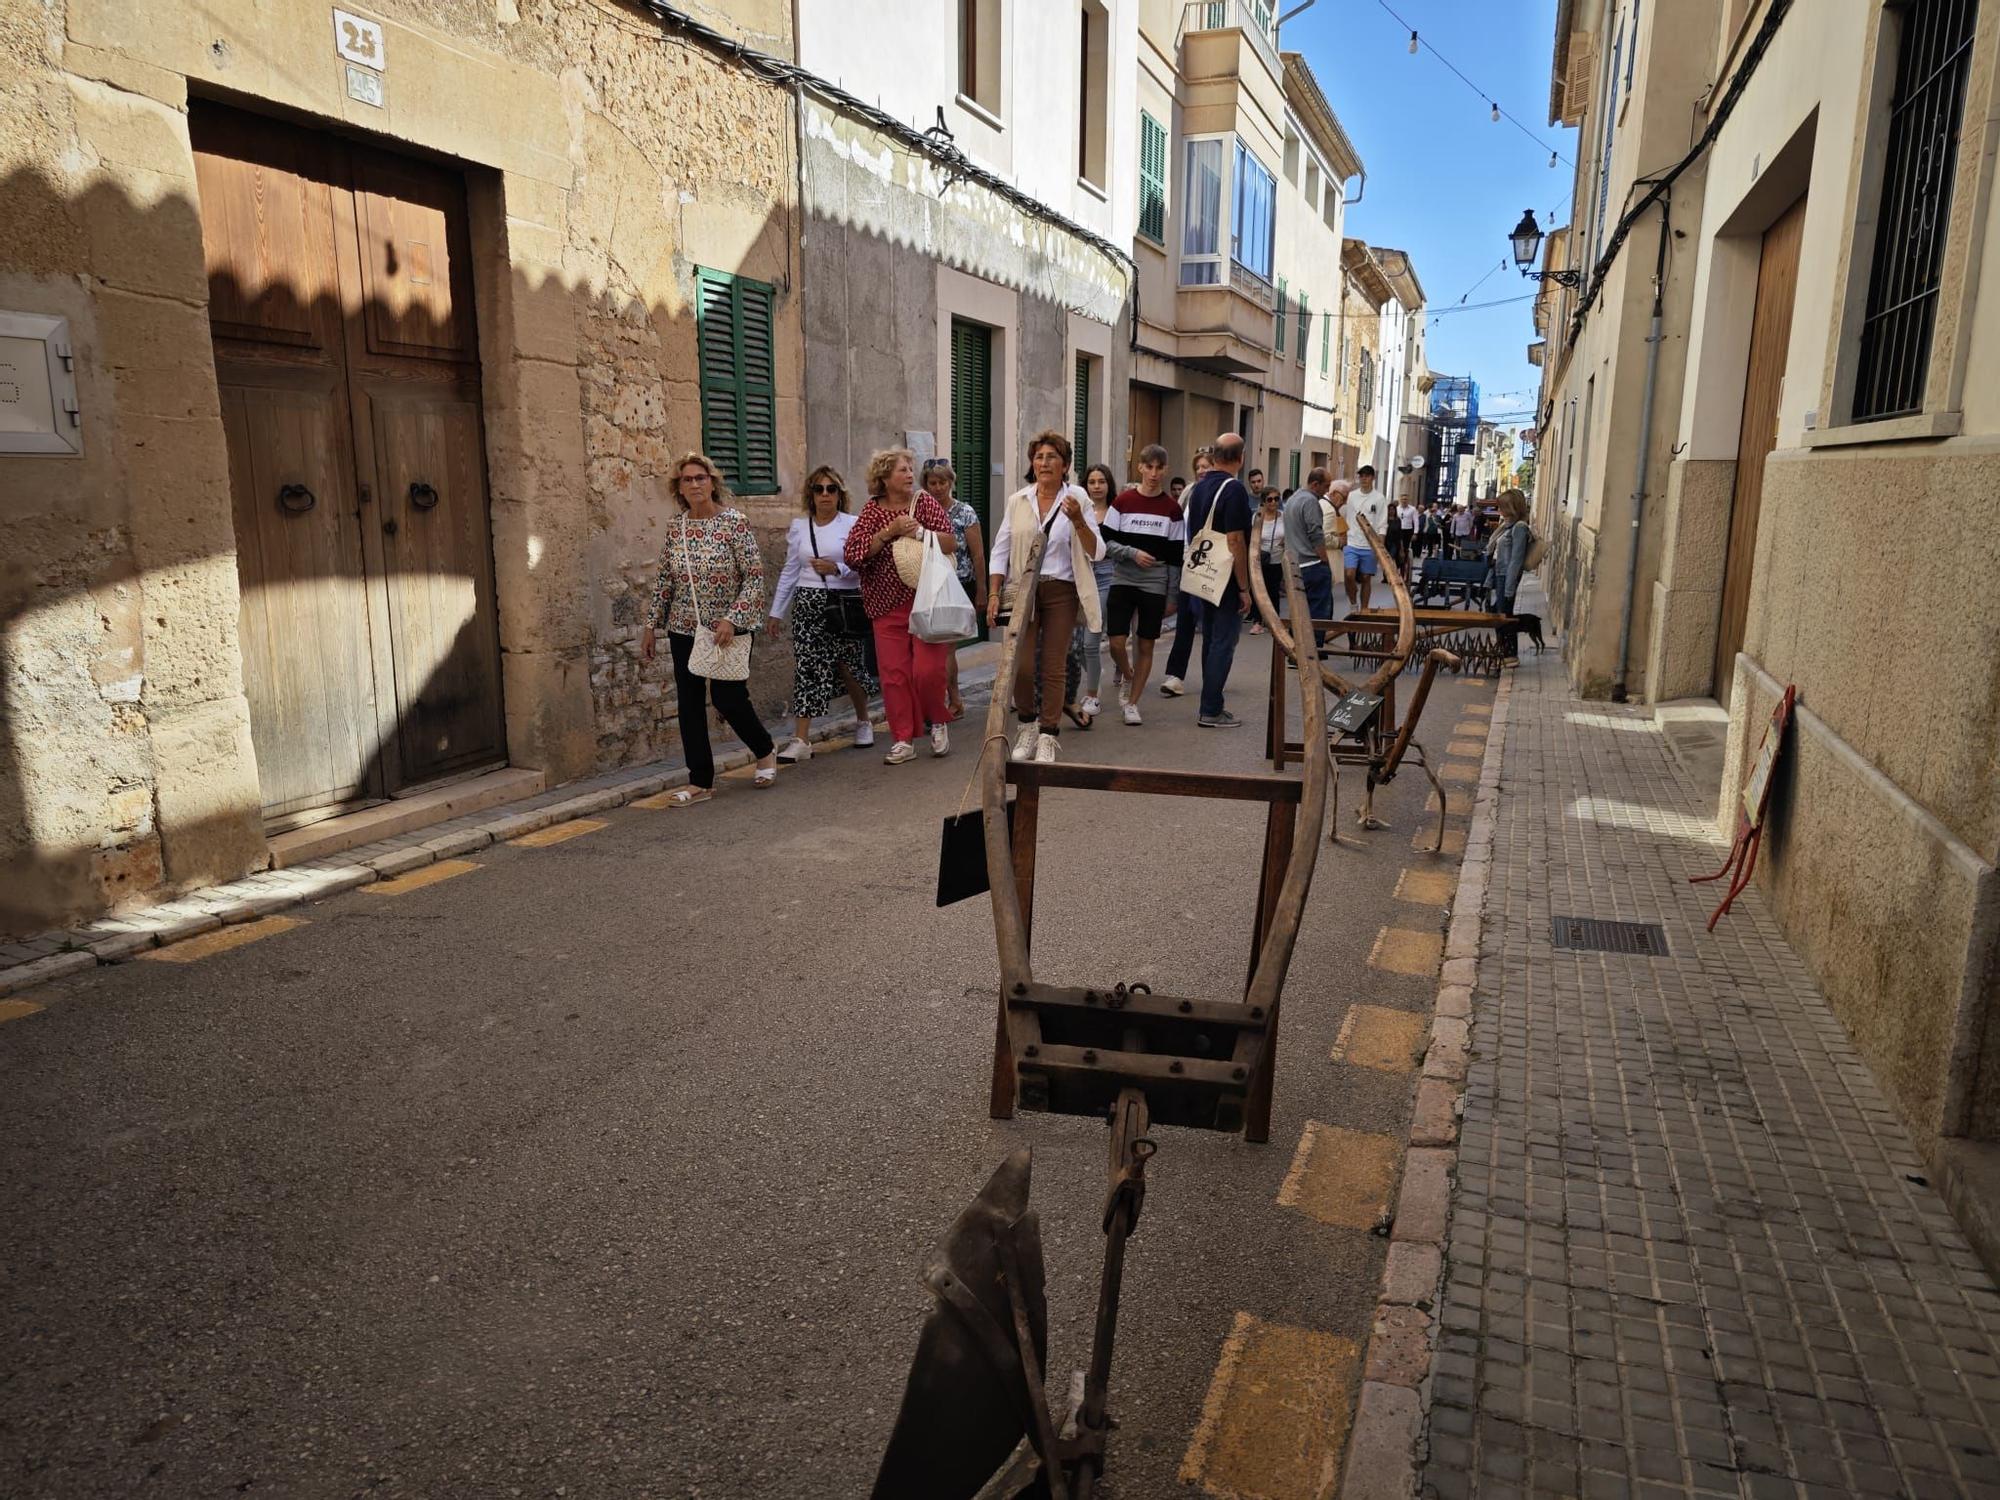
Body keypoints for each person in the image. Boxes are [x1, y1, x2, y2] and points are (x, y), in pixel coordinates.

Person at [640, 452, 779, 806]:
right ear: (679, 488)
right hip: (684, 626)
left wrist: (733, 619)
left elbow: (753, 577)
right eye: (687, 479)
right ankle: (700, 781)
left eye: (701, 477)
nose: (695, 484)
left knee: (727, 698)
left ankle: (764, 750)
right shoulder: (677, 527)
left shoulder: (734, 522)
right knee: (688, 704)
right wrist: (650, 626)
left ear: (712, 482)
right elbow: (664, 582)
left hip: (727, 628)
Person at [986, 430, 1104, 764]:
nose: (1044, 462)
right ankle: (1026, 725)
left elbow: (1097, 551)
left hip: (1062, 590)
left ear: (1065, 465)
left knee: (1053, 665)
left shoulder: (1077, 498)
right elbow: (1000, 550)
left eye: (1052, 457)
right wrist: (994, 592)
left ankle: (1049, 734)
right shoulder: (1018, 500)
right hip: (1025, 590)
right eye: (1039, 457)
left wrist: (1079, 520)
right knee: (1021, 667)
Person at [845, 447, 957, 764]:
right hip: (884, 605)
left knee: (927, 671)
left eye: (910, 469)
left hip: (925, 600)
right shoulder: (871, 512)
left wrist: (920, 532)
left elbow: (951, 542)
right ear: (883, 478)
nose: (910, 474)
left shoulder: (924, 503)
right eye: (902, 470)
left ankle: (937, 720)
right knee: (894, 675)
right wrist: (888, 532)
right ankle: (903, 739)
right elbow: (853, 554)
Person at [767, 466, 877, 764]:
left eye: (831, 489)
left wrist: (838, 568)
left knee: (848, 665)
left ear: (840, 494)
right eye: (819, 489)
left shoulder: (853, 524)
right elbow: (791, 570)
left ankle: (863, 719)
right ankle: (801, 739)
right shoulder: (800, 527)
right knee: (807, 667)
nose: (825, 494)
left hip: (844, 601)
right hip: (808, 602)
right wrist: (776, 611)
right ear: (810, 495)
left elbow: (866, 564)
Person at [1176, 432, 1256, 728]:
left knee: (1210, 639)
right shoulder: (1234, 489)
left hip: (1202, 573)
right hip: (1225, 578)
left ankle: (1211, 704)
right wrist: (1244, 588)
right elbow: (1235, 539)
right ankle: (1211, 709)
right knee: (1223, 641)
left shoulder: (1200, 487)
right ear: (1241, 458)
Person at [1102, 444, 1185, 723]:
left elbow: (1175, 557)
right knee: (1115, 642)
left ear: (1165, 470)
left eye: (1158, 468)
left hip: (1155, 581)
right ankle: (1128, 675)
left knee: (1146, 644)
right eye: (1148, 467)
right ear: (1139, 468)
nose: (1153, 473)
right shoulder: (1122, 502)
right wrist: (1132, 553)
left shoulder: (1172, 509)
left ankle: (1132, 704)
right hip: (1123, 577)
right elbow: (1105, 543)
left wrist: (1173, 596)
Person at [922, 458, 986, 720]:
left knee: (946, 647)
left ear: (951, 482)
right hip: (927, 584)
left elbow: (978, 554)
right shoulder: (920, 513)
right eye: (932, 482)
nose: (938, 488)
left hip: (958, 585)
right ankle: (947, 699)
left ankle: (952, 699)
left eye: (942, 482)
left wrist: (983, 590)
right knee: (933, 648)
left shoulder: (965, 512)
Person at [1075, 463, 1119, 717]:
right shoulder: (1078, 510)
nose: (1096, 486)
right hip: (1080, 577)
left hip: (1107, 578)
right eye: (1092, 482)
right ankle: (1096, 672)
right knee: (1077, 645)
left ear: (1108, 484)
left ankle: (1092, 696)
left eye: (1101, 481)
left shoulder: (1116, 512)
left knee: (1091, 640)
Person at [1282, 467, 1338, 644]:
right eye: (1326, 486)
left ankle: (1296, 650)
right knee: (1317, 611)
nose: (1327, 491)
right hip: (1311, 564)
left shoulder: (1292, 500)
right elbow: (1316, 533)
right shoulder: (1311, 502)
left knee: (1298, 610)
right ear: (1315, 484)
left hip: (1295, 564)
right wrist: (1324, 559)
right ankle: (1312, 651)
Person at [1486, 488, 1533, 668]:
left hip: (1507, 576)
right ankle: (1503, 651)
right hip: (1499, 573)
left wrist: (1509, 588)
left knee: (1505, 616)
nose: (1499, 510)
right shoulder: (1506, 526)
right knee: (1501, 615)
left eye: (1502, 506)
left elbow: (1516, 560)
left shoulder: (1519, 528)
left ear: (1512, 507)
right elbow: (1494, 551)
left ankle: (1510, 654)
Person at [1342, 464, 1389, 611]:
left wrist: (1380, 545)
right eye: (1361, 476)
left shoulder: (1379, 498)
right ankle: (1353, 603)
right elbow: (1342, 514)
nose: (1364, 479)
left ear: (1372, 478)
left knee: (1366, 578)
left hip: (1369, 544)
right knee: (1349, 574)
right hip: (1352, 541)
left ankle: (1364, 608)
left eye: (1367, 476)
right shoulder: (1351, 496)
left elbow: (1382, 523)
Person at [1251, 488, 1285, 635]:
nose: (1273, 502)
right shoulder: (1257, 517)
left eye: (1276, 499)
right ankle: (1257, 622)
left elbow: (1288, 533)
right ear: (1263, 501)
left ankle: (1274, 622)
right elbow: (1253, 537)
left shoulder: (1283, 516)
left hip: (1277, 559)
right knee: (1259, 592)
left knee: (1273, 591)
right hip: (1260, 560)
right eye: (1270, 499)